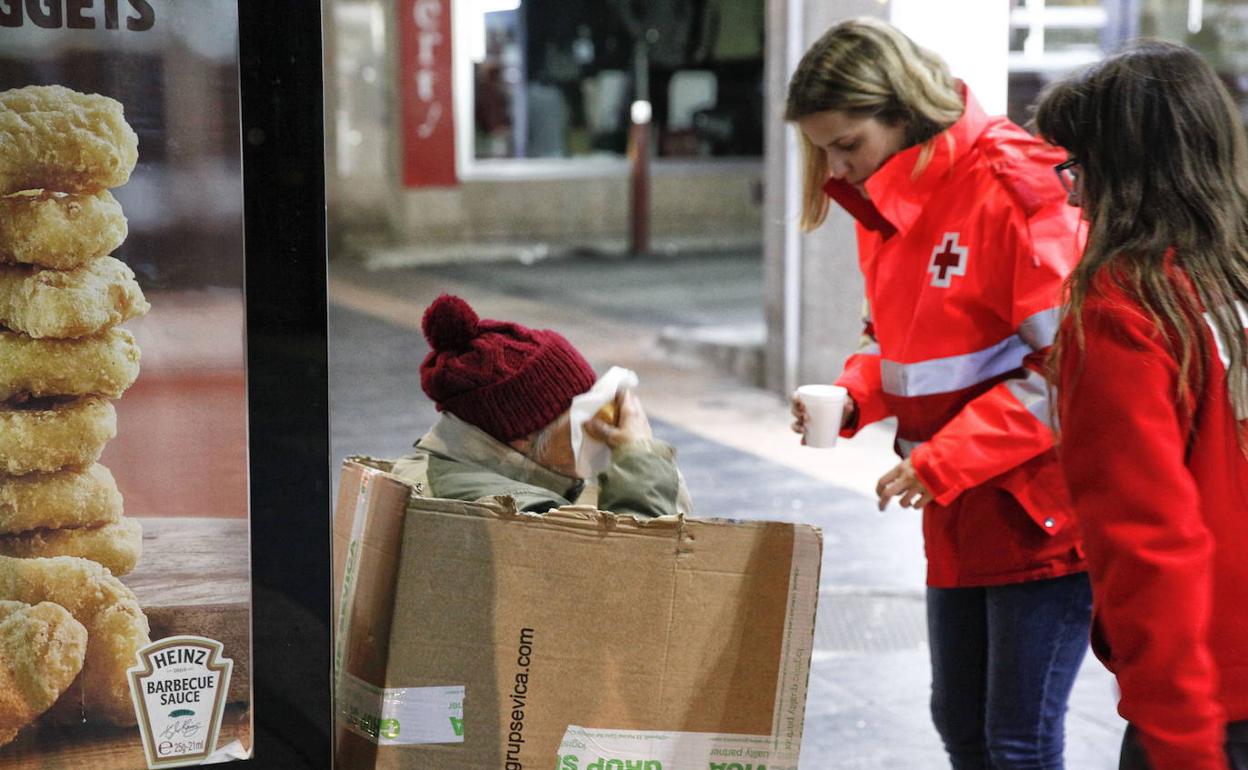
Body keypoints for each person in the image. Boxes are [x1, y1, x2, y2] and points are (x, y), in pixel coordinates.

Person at [784, 18, 1090, 769]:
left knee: (1015, 743)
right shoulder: (883, 195)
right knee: (960, 726)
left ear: (901, 111)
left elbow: (1075, 372)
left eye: (846, 144)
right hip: (959, 509)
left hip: (1041, 516)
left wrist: (945, 458)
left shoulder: (1013, 189)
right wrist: (854, 394)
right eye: (821, 147)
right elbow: (893, 334)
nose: (835, 166)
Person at [1035, 40, 1248, 770]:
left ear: (1129, 170)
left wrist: (1184, 746)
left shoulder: (1123, 310)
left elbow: (1148, 547)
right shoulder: (1232, 274)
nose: (1071, 193)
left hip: (1207, 698)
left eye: (1081, 166)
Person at [391, 293, 689, 519]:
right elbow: (640, 573)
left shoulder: (435, 472)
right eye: (580, 420)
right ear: (522, 438)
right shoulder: (515, 512)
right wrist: (640, 457)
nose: (600, 429)